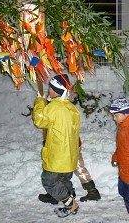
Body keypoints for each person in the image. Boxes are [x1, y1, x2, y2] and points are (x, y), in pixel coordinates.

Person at [32, 74, 80, 218]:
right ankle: (70, 197)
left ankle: (71, 205)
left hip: (57, 156)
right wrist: (49, 102)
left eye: (50, 88)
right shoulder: (71, 108)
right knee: (64, 180)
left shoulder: (54, 107)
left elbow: (39, 120)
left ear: (56, 90)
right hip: (70, 155)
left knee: (49, 181)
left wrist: (40, 101)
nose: (48, 89)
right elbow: (57, 119)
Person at [39, 137, 101, 204]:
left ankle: (63, 196)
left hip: (63, 142)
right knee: (73, 167)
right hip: (69, 141)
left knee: (58, 168)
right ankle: (90, 191)